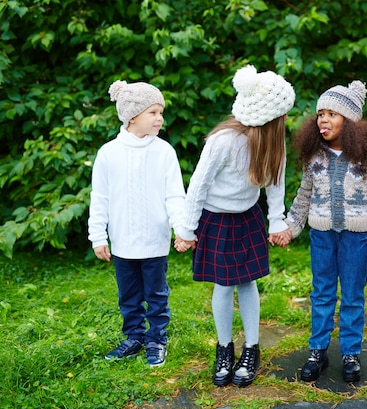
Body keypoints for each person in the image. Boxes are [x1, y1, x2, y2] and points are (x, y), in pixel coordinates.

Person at [173, 65, 295, 388]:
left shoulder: (273, 143)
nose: (286, 120)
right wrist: (187, 228)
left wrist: (277, 220)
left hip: (247, 217)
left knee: (247, 282)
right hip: (216, 219)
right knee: (224, 286)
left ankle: (251, 348)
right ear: (269, 117)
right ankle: (225, 347)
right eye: (282, 115)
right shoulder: (224, 141)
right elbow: (198, 184)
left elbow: (275, 184)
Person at [274, 81, 367, 384]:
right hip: (321, 235)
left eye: (332, 114)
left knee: (352, 294)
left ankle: (350, 352)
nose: (323, 119)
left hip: (355, 236)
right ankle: (317, 350)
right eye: (320, 114)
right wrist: (290, 227)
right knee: (321, 293)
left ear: (349, 121)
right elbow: (303, 197)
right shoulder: (315, 157)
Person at [88, 80, 185, 368]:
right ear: (132, 117)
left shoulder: (164, 152)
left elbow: (174, 195)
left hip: (154, 240)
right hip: (122, 242)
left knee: (156, 293)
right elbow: (100, 197)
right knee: (128, 295)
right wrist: (98, 236)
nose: (160, 119)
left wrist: (181, 228)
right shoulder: (109, 153)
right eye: (153, 112)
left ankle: (156, 338)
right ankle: (134, 336)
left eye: (161, 112)